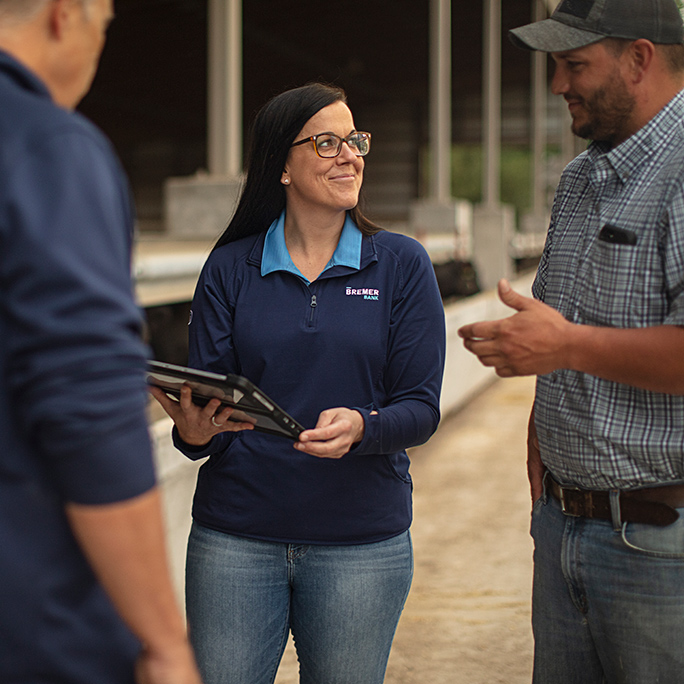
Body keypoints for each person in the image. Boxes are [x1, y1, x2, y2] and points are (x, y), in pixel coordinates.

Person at [151, 82, 446, 684]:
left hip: (361, 543)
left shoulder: (400, 265)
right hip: (235, 540)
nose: (350, 155)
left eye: (355, 140)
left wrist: (365, 426)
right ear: (281, 164)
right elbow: (212, 420)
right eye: (328, 142)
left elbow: (420, 407)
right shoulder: (231, 267)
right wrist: (195, 432)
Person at [458, 0, 684, 682]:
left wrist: (566, 349)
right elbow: (563, 323)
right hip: (564, 525)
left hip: (658, 544)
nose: (558, 85)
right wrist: (544, 427)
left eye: (574, 64)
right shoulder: (582, 179)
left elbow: (569, 340)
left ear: (639, 58)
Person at [0, 1, 202, 683]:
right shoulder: (48, 147)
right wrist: (164, 640)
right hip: (31, 623)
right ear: (64, 16)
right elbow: (87, 408)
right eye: (104, 27)